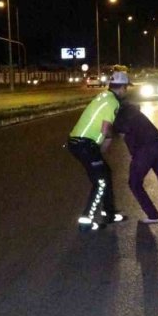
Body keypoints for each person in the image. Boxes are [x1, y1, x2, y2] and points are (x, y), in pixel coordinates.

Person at [67, 71, 130, 232]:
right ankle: (86, 221)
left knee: (105, 173)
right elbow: (106, 129)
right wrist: (108, 141)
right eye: (126, 87)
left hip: (80, 142)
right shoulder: (112, 103)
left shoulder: (104, 96)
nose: (126, 91)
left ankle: (109, 214)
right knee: (101, 181)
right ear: (122, 87)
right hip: (84, 144)